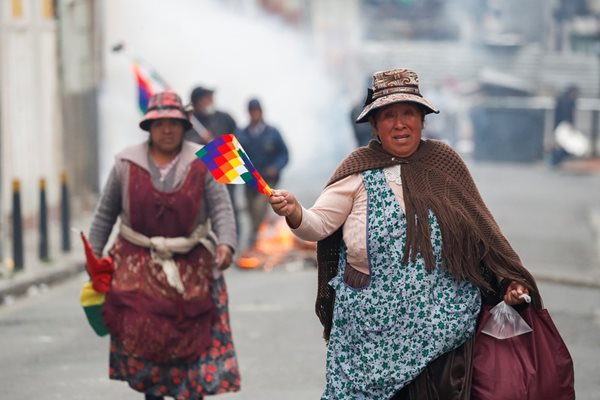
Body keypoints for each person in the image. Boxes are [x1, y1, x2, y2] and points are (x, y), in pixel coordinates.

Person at [268, 68, 542, 399]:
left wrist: (506, 281)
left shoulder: (444, 164)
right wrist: (296, 212)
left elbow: (482, 234)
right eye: (388, 116)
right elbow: (319, 225)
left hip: (441, 335)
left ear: (422, 119)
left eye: (408, 113)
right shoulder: (358, 170)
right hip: (367, 338)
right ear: (375, 125)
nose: (400, 124)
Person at [88, 90, 240, 400]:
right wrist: (93, 256)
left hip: (192, 269)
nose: (167, 130)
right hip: (138, 268)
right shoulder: (125, 163)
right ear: (148, 127)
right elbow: (105, 214)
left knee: (193, 342)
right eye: (160, 124)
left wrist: (225, 244)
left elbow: (222, 209)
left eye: (173, 123)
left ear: (184, 126)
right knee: (147, 344)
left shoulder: (206, 159)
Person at [236, 98, 289, 249]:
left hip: (267, 179)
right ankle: (259, 238)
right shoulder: (242, 134)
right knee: (250, 209)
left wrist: (276, 167)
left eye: (256, 111)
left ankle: (255, 240)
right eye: (252, 111)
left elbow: (284, 154)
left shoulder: (272, 132)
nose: (254, 114)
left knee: (259, 206)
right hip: (249, 180)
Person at [551, 85, 581, 166]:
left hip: (561, 125)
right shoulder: (565, 100)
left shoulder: (564, 99)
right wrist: (568, 124)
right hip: (563, 126)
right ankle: (556, 162)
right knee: (563, 144)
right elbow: (565, 114)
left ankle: (557, 162)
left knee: (562, 144)